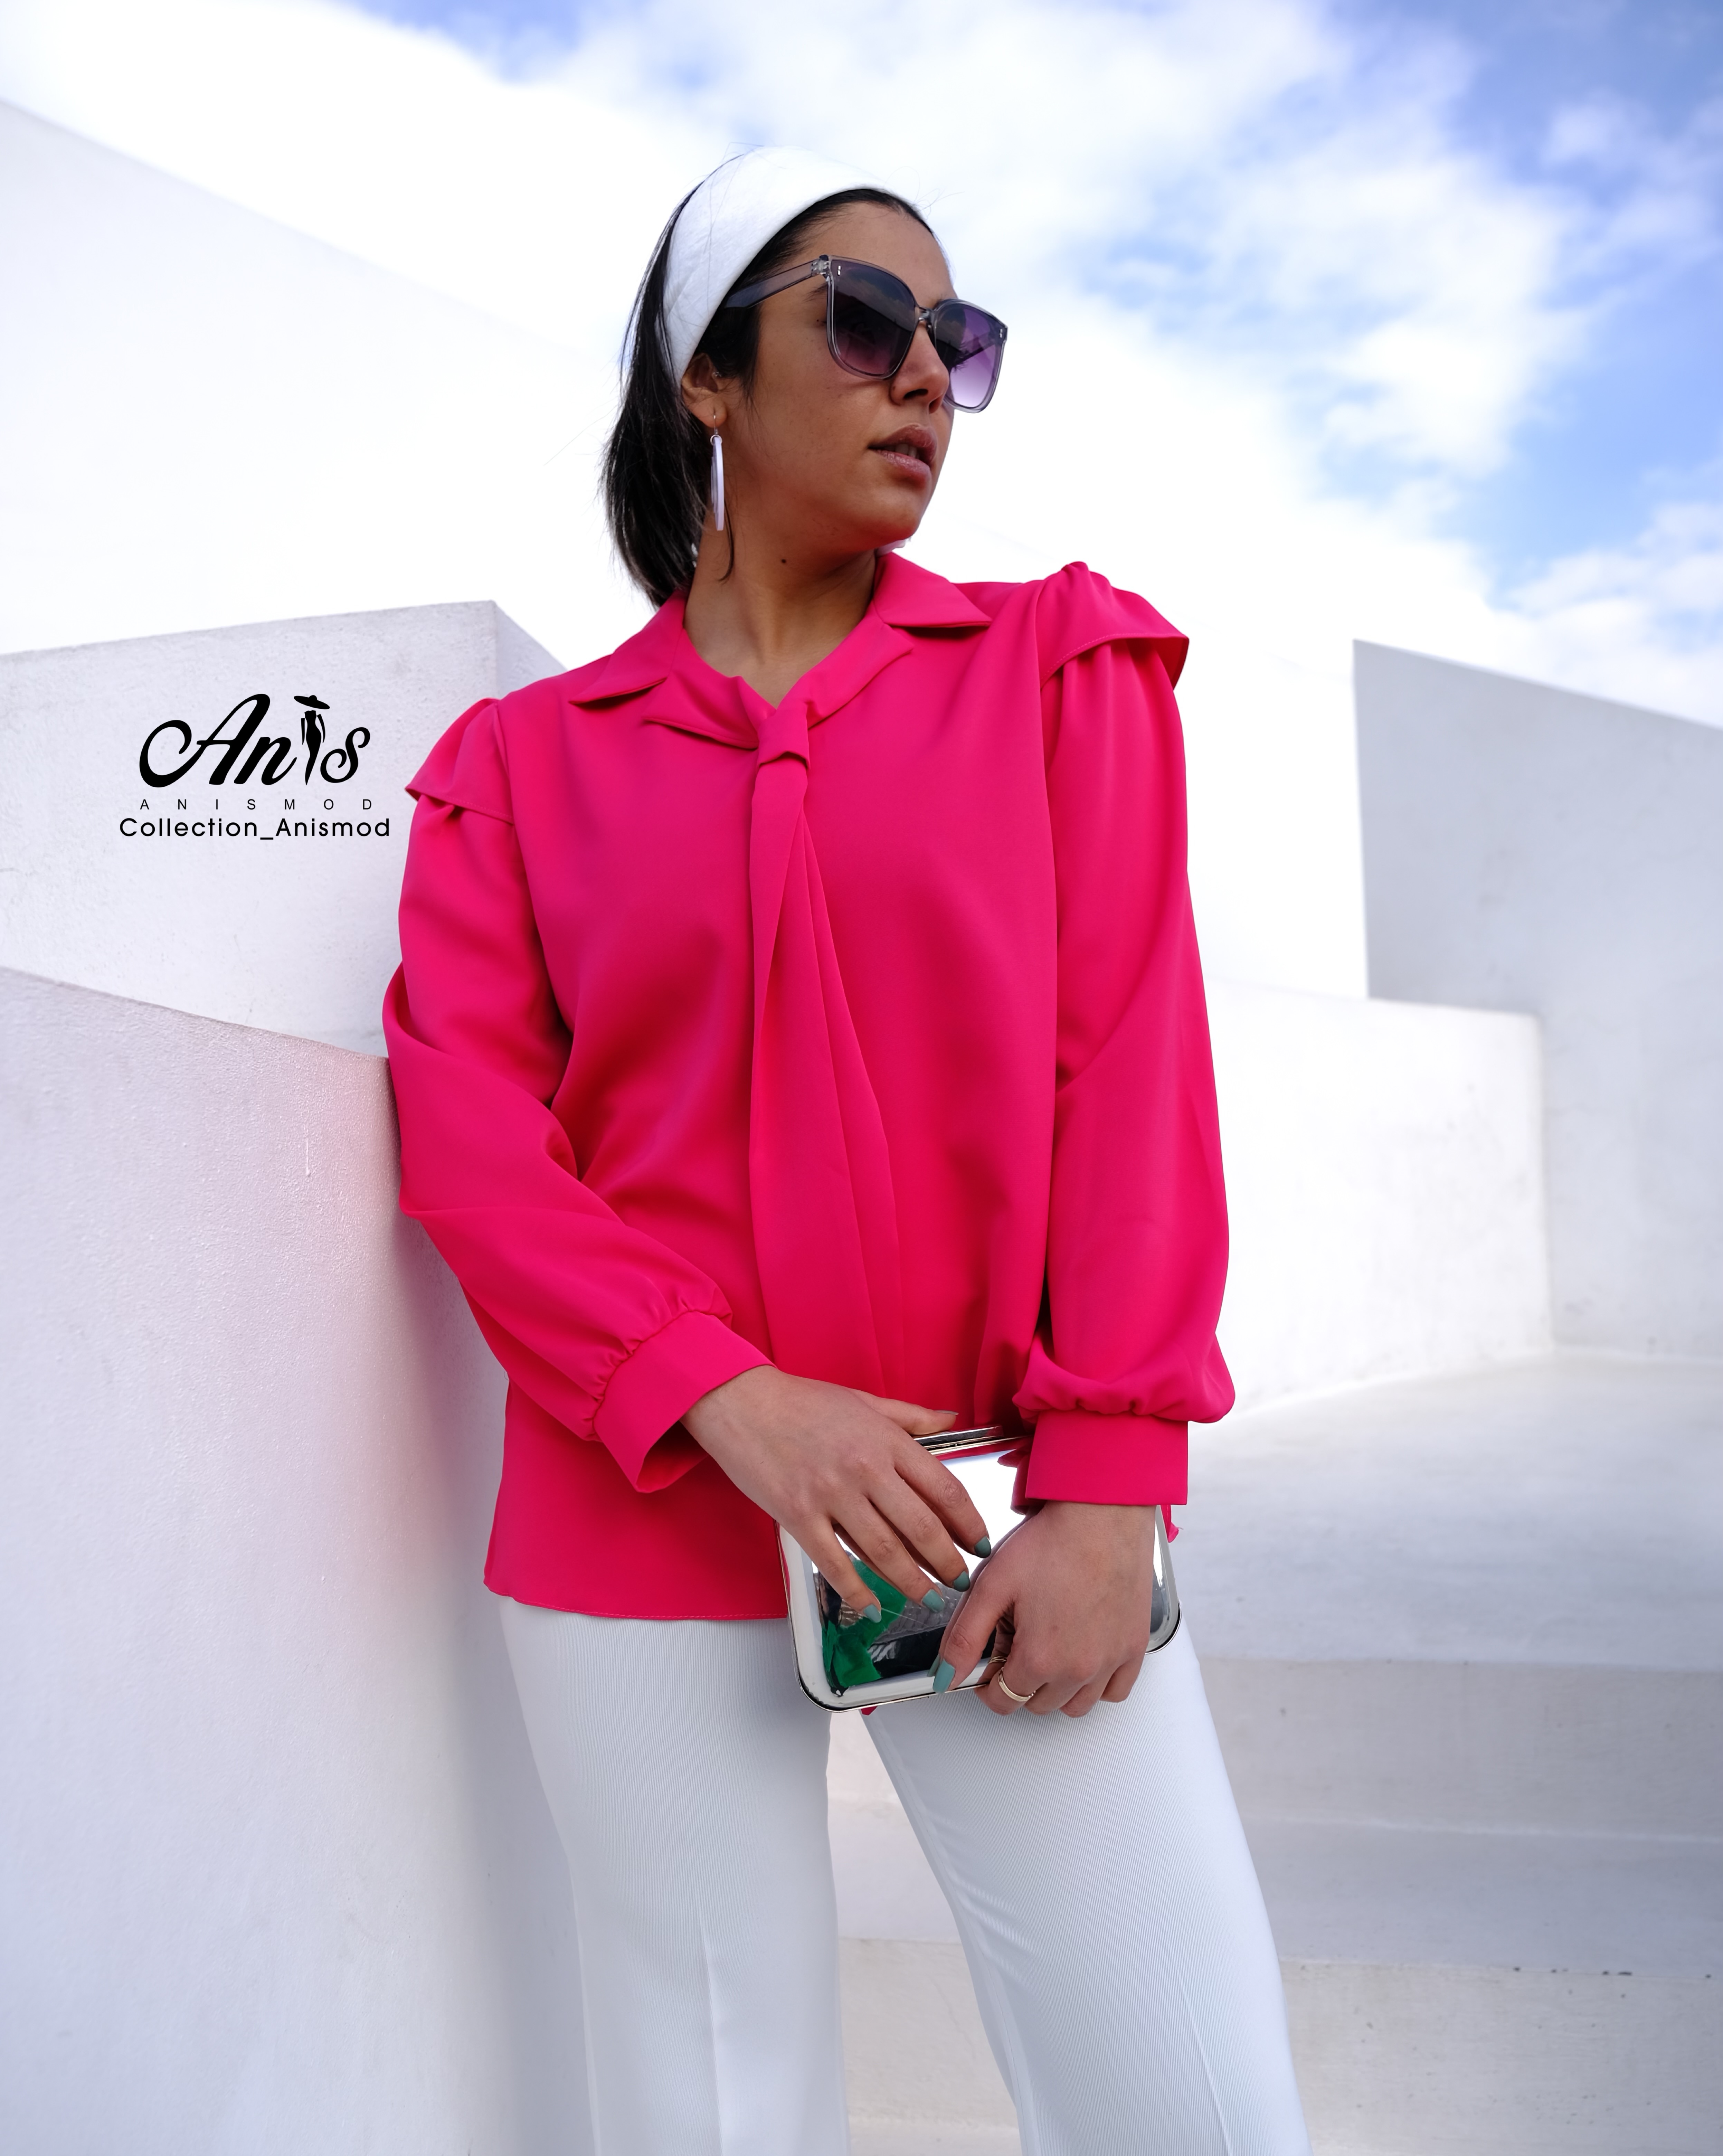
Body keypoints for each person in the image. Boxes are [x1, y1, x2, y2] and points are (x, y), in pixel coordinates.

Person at [384, 145, 1311, 2156]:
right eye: (865, 320)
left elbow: (1130, 1079)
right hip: (639, 1517)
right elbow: (472, 1139)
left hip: (1001, 1525)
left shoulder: (1062, 675)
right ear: (706, 380)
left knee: (1197, 2107)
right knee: (710, 2113)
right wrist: (729, 1398)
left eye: (956, 342)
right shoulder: (516, 771)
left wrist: (1110, 1488)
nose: (922, 377)